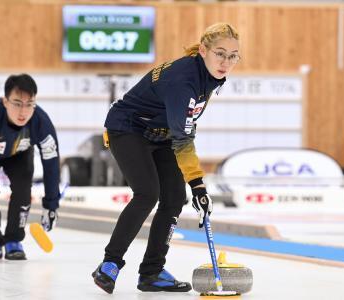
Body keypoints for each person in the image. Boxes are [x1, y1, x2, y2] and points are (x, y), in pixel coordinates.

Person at [92, 23, 240, 294]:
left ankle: (152, 272)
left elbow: (186, 124)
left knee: (173, 198)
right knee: (147, 193)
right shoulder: (182, 80)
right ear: (204, 50)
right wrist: (198, 184)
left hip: (162, 135)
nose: (226, 62)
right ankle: (109, 264)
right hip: (128, 128)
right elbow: (183, 137)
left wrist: (194, 186)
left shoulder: (207, 75)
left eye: (233, 56)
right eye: (220, 53)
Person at [0, 74, 61, 260]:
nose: (23, 111)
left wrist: (51, 205)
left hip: (20, 155)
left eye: (29, 104)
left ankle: (13, 241)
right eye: (17, 103)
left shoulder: (42, 123)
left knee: (23, 191)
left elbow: (52, 165)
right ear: (5, 101)